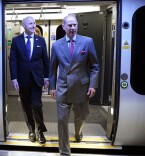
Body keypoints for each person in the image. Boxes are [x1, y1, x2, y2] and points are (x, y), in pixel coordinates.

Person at [49, 14, 100, 156]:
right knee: (61, 120)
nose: (73, 28)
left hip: (82, 88)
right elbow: (52, 69)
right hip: (63, 88)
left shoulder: (87, 42)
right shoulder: (56, 45)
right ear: (63, 27)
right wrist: (52, 87)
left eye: (75, 25)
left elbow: (95, 66)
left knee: (82, 117)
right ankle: (64, 152)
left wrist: (93, 85)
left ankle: (78, 131)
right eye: (70, 25)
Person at [9, 16, 50, 144]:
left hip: (37, 79)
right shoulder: (16, 41)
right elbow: (13, 61)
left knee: (36, 105)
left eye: (35, 23)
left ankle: (41, 131)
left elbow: (46, 61)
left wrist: (47, 77)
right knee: (26, 106)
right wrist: (14, 78)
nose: (34, 26)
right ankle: (31, 129)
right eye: (31, 23)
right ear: (24, 25)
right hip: (22, 80)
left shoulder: (41, 40)